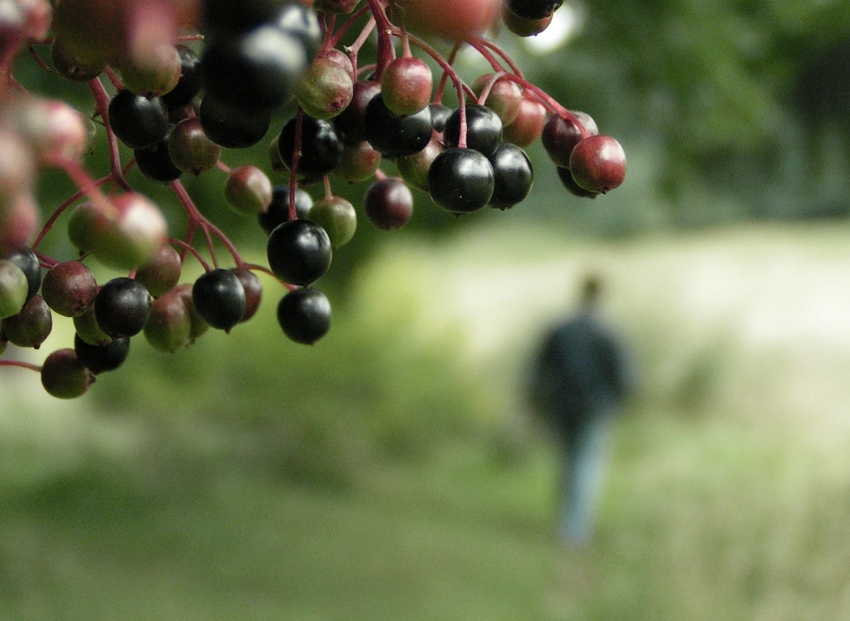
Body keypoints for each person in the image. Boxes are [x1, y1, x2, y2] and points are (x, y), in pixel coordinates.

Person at [528, 275, 637, 547]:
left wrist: (535, 402)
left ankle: (567, 522)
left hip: (561, 405)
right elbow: (625, 379)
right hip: (595, 409)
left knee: (566, 463)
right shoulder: (608, 334)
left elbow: (539, 369)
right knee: (586, 465)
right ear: (601, 296)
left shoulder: (560, 330)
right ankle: (575, 529)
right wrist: (618, 403)